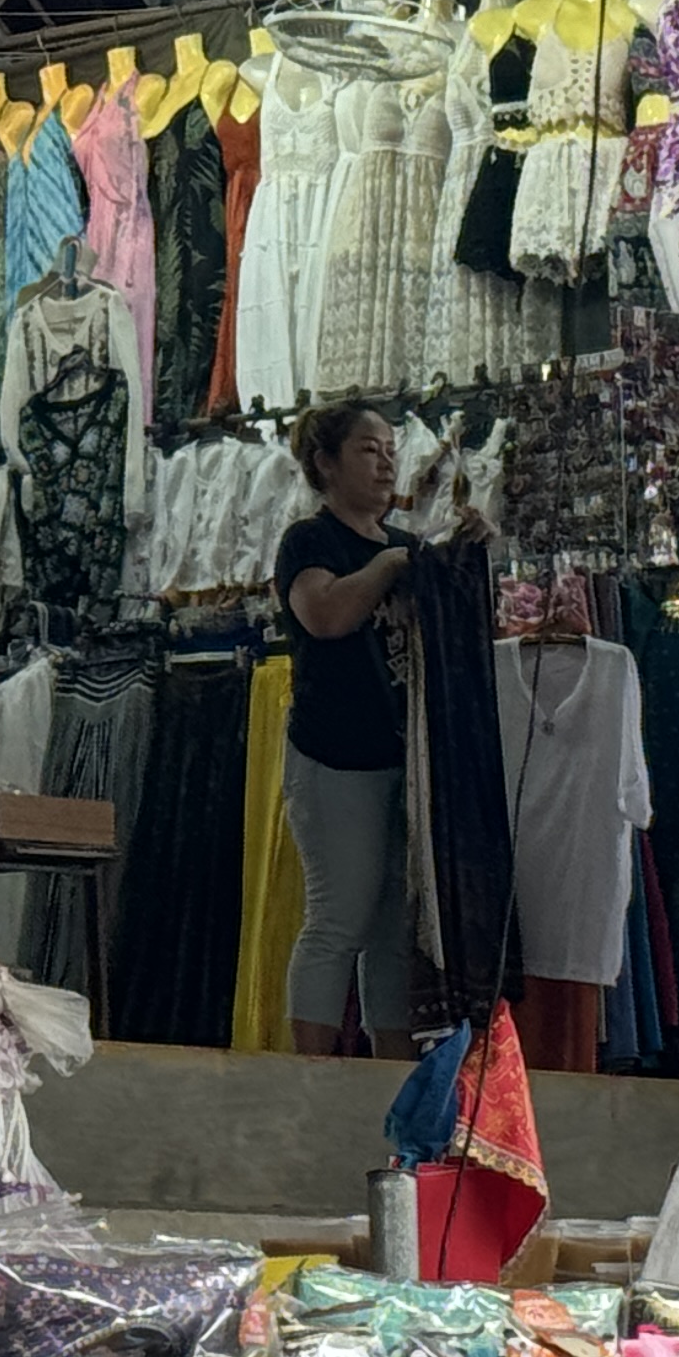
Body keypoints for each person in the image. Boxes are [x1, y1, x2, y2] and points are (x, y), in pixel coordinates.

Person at [273, 401, 416, 1059]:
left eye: (390, 447)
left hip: (402, 759)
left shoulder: (409, 547)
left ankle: (389, 1080)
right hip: (334, 759)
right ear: (325, 463)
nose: (386, 459)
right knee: (339, 921)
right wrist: (387, 566)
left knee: (395, 929)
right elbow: (325, 616)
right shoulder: (310, 540)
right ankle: (314, 1079)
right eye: (368, 448)